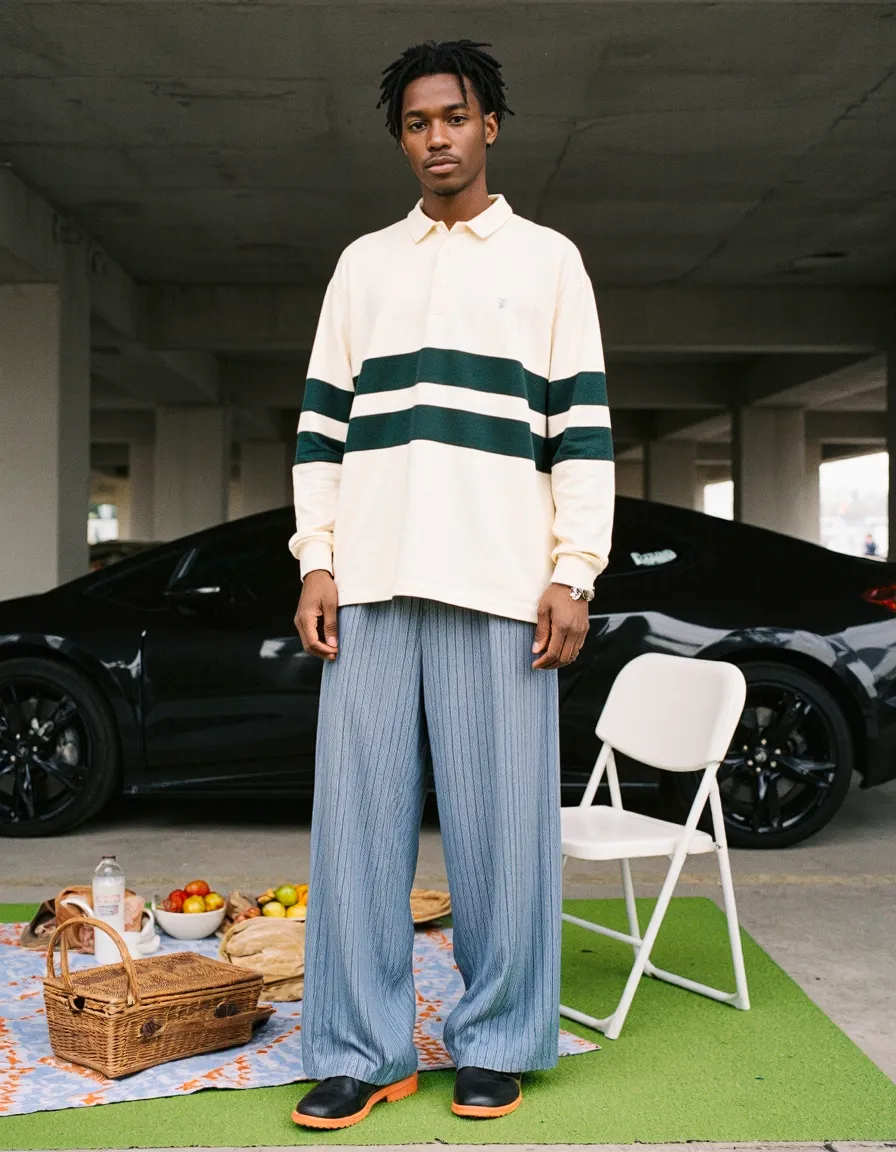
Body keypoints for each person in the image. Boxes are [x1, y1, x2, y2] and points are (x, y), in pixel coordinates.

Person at [288, 39, 614, 1130]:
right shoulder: (362, 265)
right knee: (355, 837)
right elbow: (320, 431)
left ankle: (496, 1040)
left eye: (455, 117)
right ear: (401, 137)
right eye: (418, 122)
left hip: (501, 589)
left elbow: (583, 436)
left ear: (490, 127)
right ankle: (360, 1050)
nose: (437, 137)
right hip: (373, 583)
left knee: (499, 839)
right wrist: (317, 558)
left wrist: (572, 572)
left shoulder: (548, 261)